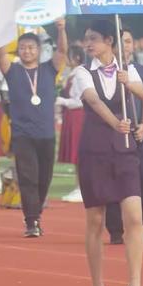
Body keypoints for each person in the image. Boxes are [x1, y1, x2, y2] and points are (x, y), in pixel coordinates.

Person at [75, 19, 143, 286]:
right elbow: (93, 101)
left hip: (125, 152)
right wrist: (115, 123)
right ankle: (98, 285)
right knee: (95, 220)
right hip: (95, 152)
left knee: (133, 217)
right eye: (86, 39)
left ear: (109, 41)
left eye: (93, 38)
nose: (88, 44)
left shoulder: (127, 70)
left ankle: (135, 284)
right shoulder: (82, 72)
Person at [0, 18, 68, 238]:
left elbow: (63, 50)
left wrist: (61, 29)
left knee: (44, 178)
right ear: (18, 50)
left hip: (46, 134)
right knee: (28, 178)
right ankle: (31, 221)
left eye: (31, 47)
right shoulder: (13, 70)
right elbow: (0, 54)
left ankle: (36, 213)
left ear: (39, 50)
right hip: (22, 135)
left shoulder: (49, 69)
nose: (27, 51)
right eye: (23, 48)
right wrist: (0, 24)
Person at [105, 27, 143, 246]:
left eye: (129, 41)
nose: (126, 46)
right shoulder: (106, 71)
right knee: (114, 181)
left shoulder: (141, 70)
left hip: (137, 132)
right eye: (121, 41)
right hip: (114, 132)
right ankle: (116, 228)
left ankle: (138, 224)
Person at [56, 45, 86, 203]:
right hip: (72, 116)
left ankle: (82, 188)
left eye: (68, 56)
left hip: (77, 116)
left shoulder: (80, 75)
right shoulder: (73, 74)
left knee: (79, 155)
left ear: (76, 59)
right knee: (76, 156)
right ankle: (79, 187)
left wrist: (63, 101)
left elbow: (80, 101)